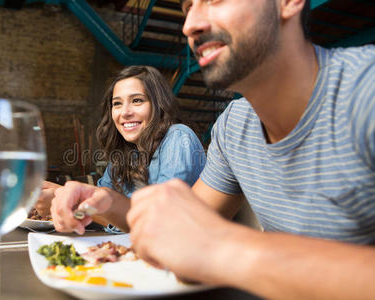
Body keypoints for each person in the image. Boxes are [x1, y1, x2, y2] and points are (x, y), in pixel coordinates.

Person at [126, 0, 375, 299]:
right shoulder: (233, 127)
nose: (189, 25)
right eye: (187, 7)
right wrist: (100, 204)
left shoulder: (366, 89)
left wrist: (224, 248)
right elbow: (176, 236)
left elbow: (207, 244)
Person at [38, 65, 205, 233]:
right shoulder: (124, 154)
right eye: (117, 103)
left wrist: (71, 199)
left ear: (159, 105)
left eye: (137, 100)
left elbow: (157, 219)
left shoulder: (178, 137)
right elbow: (101, 211)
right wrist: (66, 204)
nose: (125, 112)